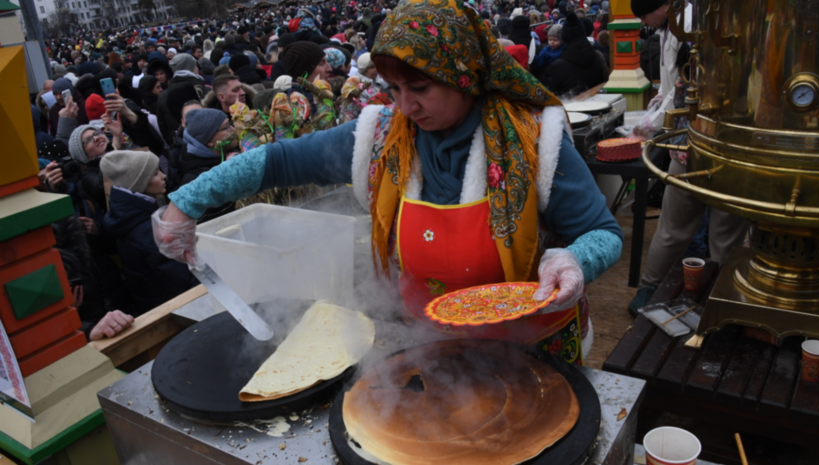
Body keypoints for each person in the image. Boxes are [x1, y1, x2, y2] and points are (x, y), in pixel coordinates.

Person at [153, 0, 622, 364]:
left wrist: (574, 260)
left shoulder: (533, 140)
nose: (405, 107)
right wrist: (188, 200)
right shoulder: (381, 138)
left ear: (466, 75)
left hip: (534, 347)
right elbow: (277, 162)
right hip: (432, 346)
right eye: (394, 89)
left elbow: (603, 232)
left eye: (420, 89)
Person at [627, 0, 748, 314]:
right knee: (717, 235)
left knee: (680, 230)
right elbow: (675, 90)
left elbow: (678, 93)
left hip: (694, 152)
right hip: (720, 155)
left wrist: (651, 123)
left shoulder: (691, 49)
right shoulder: (739, 64)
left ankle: (662, 290)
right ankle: (713, 296)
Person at [101, 150, 199, 315]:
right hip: (171, 309)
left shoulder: (128, 218)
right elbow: (181, 280)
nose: (163, 176)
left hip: (151, 303)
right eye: (155, 174)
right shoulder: (149, 231)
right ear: (140, 183)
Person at [540, 13, 608, 96]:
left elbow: (543, 95)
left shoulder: (556, 67)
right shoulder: (597, 56)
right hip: (598, 103)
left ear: (564, 37)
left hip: (569, 107)